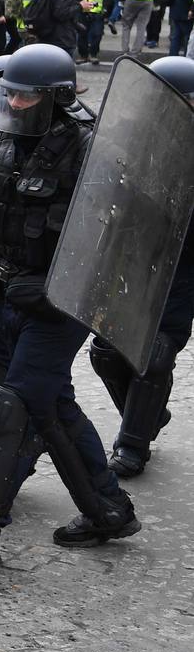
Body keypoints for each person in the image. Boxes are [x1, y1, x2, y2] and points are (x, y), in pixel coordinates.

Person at [0, 44, 141, 574]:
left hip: (58, 307)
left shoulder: (93, 149)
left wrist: (52, 288)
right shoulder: (3, 143)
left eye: (25, 96)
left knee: (11, 401)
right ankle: (108, 508)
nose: (14, 104)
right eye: (10, 94)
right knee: (11, 390)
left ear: (56, 98)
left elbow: (116, 241)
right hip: (5, 296)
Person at [87, 54, 194, 477]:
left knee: (156, 351)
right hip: (132, 258)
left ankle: (132, 445)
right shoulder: (131, 136)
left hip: (182, 266)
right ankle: (149, 414)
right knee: (106, 353)